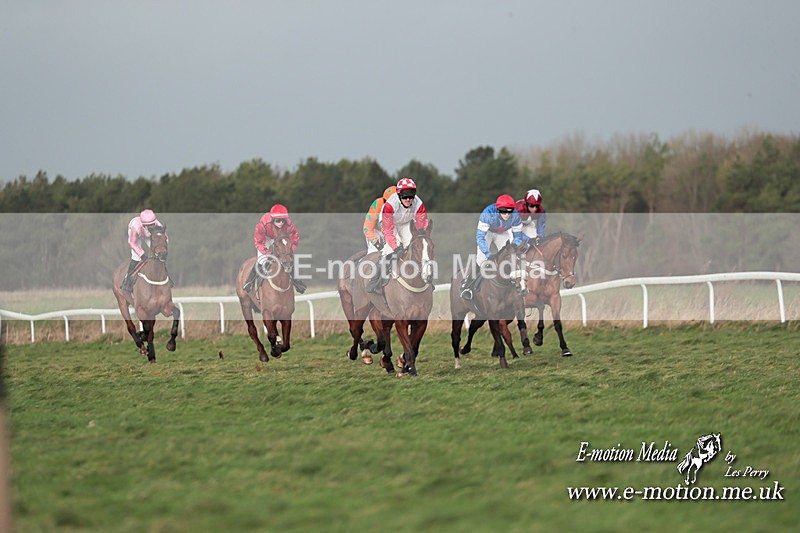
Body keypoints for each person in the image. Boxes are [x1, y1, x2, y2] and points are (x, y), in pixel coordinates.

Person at [460, 194, 528, 300]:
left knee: (511, 257)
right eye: (503, 211)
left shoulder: (516, 216)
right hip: (487, 233)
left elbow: (517, 238)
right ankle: (467, 286)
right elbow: (480, 238)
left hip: (502, 233)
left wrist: (513, 248)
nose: (506, 214)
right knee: (481, 260)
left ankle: (516, 285)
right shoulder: (488, 214)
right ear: (497, 209)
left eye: (509, 211)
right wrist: (487, 253)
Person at [366, 178, 429, 294]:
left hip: (405, 223)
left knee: (416, 247)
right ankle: (375, 282)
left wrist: (420, 237)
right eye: (405, 196)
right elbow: (388, 231)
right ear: (399, 195)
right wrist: (395, 247)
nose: (408, 199)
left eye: (411, 195)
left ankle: (424, 277)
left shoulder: (419, 204)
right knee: (390, 251)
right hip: (390, 224)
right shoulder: (390, 205)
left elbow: (421, 225)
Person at [243, 203, 306, 293]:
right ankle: (249, 282)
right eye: (278, 220)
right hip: (266, 238)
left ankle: (297, 282)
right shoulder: (263, 225)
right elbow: (259, 242)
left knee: (290, 258)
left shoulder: (289, 224)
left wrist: (289, 250)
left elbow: (295, 238)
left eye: (283, 220)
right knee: (262, 260)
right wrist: (268, 253)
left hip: (280, 238)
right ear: (272, 219)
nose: (281, 223)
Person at [121, 209, 166, 292]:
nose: (152, 227)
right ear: (144, 224)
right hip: (136, 236)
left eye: (153, 224)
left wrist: (161, 250)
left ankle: (164, 277)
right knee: (136, 257)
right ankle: (127, 281)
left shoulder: (157, 224)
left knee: (157, 252)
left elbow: (164, 238)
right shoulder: (135, 227)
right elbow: (132, 243)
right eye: (149, 225)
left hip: (149, 236)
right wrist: (142, 254)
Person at [363, 185, 396, 253]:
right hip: (377, 232)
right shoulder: (377, 205)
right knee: (374, 253)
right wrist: (377, 244)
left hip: (392, 232)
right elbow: (367, 228)